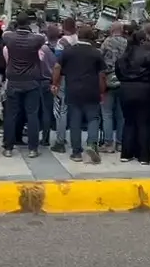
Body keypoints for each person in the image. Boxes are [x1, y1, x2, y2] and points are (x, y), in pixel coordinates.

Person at [51, 25, 105, 163]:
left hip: (73, 90)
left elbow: (57, 67)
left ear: (78, 36)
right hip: (91, 90)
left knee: (75, 121)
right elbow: (101, 75)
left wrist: (55, 83)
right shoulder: (96, 53)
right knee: (93, 118)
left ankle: (76, 152)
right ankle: (92, 144)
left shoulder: (68, 52)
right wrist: (102, 91)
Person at [2, 12, 45, 157]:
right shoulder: (36, 39)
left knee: (11, 115)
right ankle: (33, 149)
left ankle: (8, 148)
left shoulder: (9, 37)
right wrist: (39, 24)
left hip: (14, 80)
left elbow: (5, 31)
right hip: (31, 80)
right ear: (29, 23)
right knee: (32, 115)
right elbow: (43, 35)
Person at [115, 30, 150, 164]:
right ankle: (143, 156)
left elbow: (118, 73)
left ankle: (126, 153)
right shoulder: (149, 55)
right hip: (145, 89)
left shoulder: (123, 57)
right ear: (143, 40)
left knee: (129, 122)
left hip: (126, 90)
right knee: (144, 123)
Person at [50, 17, 78, 153]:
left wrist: (55, 82)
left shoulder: (62, 42)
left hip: (64, 79)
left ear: (64, 27)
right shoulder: (79, 40)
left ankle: (60, 141)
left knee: (62, 110)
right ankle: (75, 140)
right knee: (76, 110)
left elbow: (58, 65)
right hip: (78, 79)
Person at [100, 21, 127, 153]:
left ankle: (108, 143)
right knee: (121, 114)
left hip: (108, 80)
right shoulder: (127, 43)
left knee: (107, 113)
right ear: (122, 30)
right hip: (123, 80)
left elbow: (100, 59)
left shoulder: (107, 42)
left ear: (111, 30)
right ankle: (120, 143)